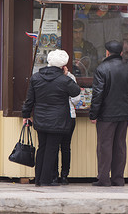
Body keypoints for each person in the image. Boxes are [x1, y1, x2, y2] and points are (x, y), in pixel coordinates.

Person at [22, 50, 81, 187]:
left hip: (40, 118)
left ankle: (38, 179)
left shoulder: (36, 78)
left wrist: (26, 115)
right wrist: (66, 75)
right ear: (62, 66)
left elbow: (29, 100)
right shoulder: (64, 80)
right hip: (58, 119)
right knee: (52, 148)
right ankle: (46, 179)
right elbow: (76, 91)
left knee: (41, 147)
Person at [89, 40, 128, 187]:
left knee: (105, 146)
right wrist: (124, 102)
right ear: (121, 53)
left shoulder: (102, 68)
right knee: (120, 146)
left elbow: (97, 95)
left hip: (106, 115)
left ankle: (103, 179)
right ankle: (118, 179)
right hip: (123, 114)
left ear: (107, 52)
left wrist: (93, 114)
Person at [52, 71, 81, 185]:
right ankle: (64, 176)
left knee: (53, 146)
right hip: (69, 115)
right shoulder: (70, 77)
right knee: (65, 147)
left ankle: (54, 175)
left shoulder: (50, 76)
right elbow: (76, 99)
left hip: (54, 116)